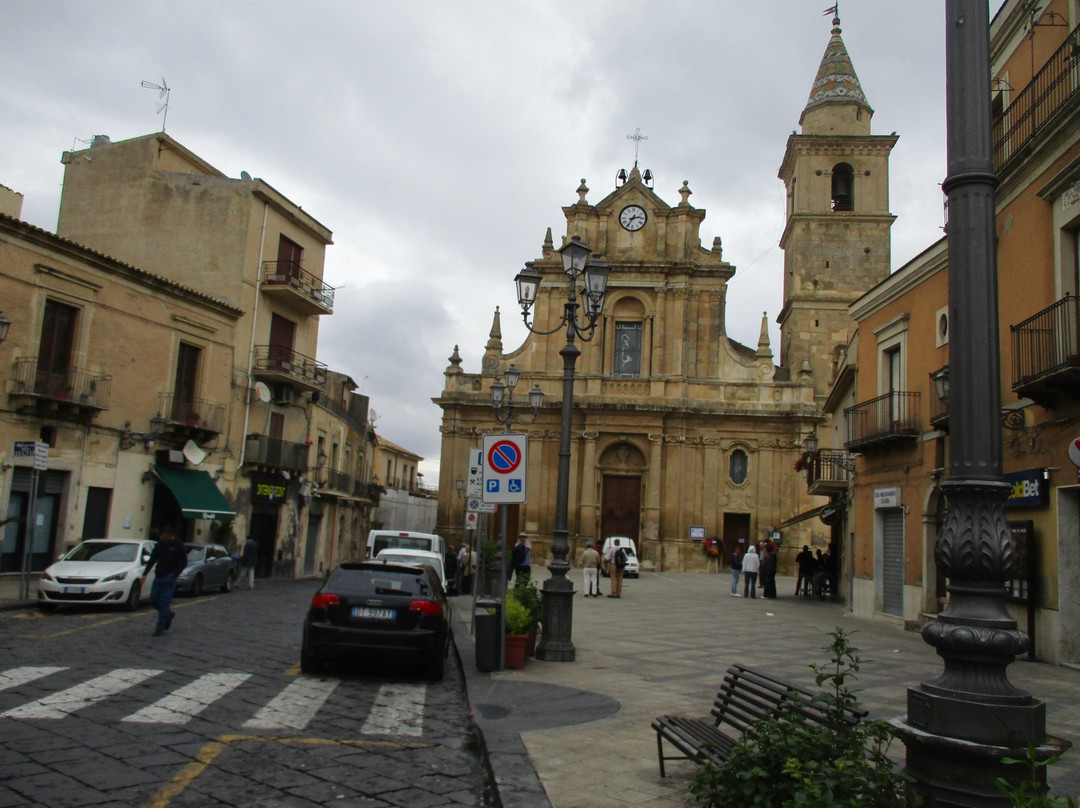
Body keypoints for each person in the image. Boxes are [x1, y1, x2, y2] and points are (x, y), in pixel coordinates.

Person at [140, 526, 187, 636]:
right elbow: (152, 559)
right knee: (153, 600)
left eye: (165, 536)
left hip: (169, 577)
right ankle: (168, 615)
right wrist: (144, 574)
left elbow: (184, 562)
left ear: (170, 535)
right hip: (158, 576)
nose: (163, 538)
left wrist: (175, 574)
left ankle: (159, 628)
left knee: (164, 603)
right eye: (162, 536)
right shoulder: (160, 545)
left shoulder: (178, 545)